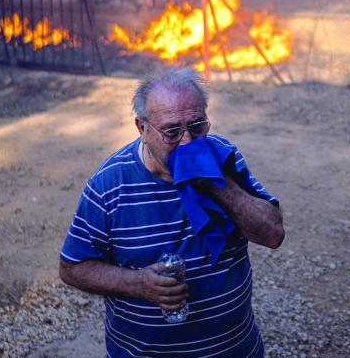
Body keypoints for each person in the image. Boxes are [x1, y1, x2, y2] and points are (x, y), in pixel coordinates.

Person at [59, 67, 284, 357]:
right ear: (142, 128)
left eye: (197, 125)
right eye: (172, 131)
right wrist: (138, 284)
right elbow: (72, 268)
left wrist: (217, 183)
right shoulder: (109, 184)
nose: (187, 142)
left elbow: (273, 234)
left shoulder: (223, 157)